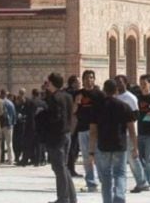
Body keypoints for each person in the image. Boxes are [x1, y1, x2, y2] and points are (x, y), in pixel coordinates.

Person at [88, 79, 137, 203]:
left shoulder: (97, 107)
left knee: (106, 176)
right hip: (120, 145)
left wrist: (91, 151)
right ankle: (119, 198)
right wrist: (135, 147)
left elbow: (93, 131)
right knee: (120, 174)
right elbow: (132, 130)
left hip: (103, 145)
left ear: (104, 90)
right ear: (116, 90)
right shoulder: (124, 106)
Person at [40, 72, 77, 203]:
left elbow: (55, 118)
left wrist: (43, 116)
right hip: (66, 134)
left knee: (59, 168)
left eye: (48, 82)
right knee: (63, 167)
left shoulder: (55, 98)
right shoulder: (67, 96)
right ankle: (71, 197)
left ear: (52, 83)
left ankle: (63, 198)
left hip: (57, 137)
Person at [74, 70, 100, 192]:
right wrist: (77, 102)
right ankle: (91, 183)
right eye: (86, 78)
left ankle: (104, 180)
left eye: (91, 77)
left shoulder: (99, 94)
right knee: (86, 157)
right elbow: (73, 111)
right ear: (83, 80)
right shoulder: (79, 94)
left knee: (98, 156)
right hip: (83, 128)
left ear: (94, 79)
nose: (89, 80)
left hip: (96, 130)